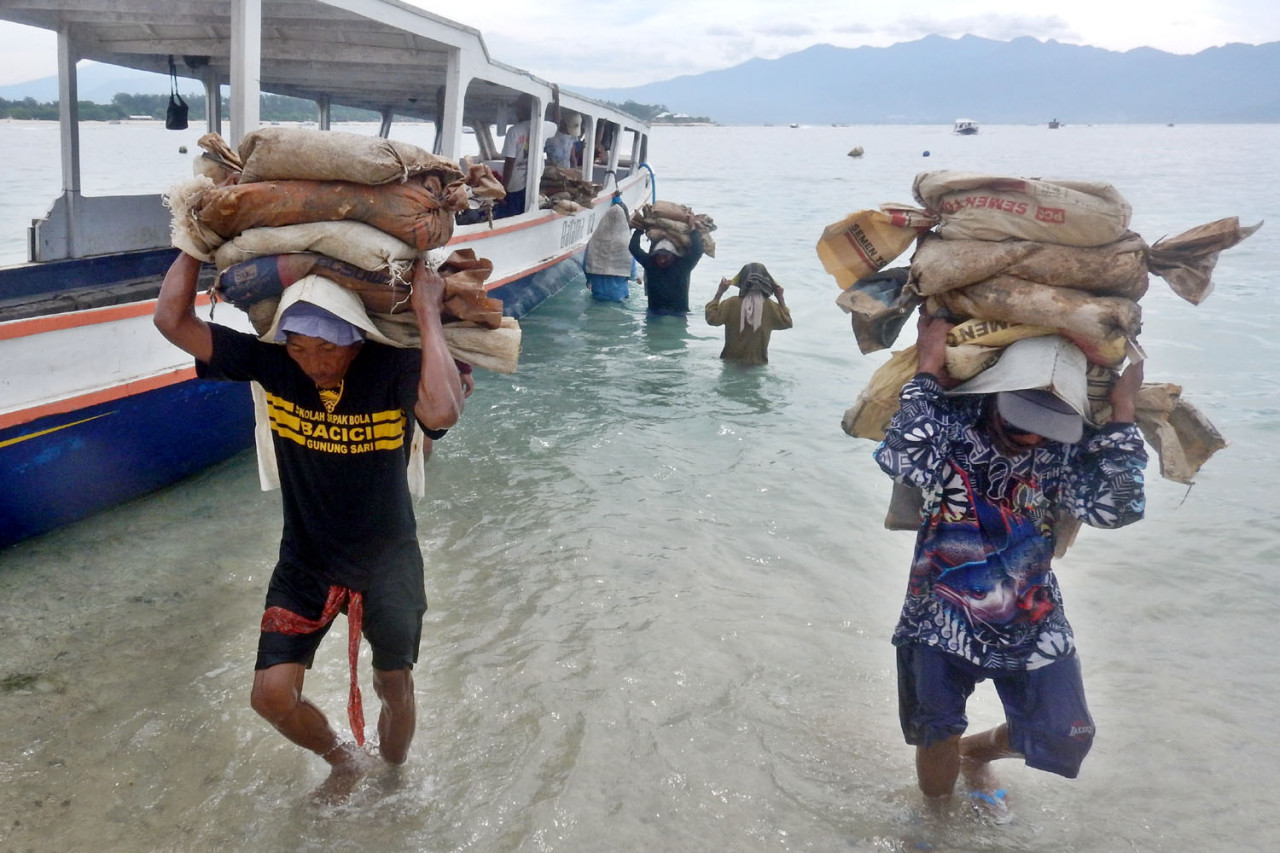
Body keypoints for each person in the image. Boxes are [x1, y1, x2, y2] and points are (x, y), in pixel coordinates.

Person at [153, 253, 469, 803]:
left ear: (360, 339)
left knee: (393, 687)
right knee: (270, 697)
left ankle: (392, 781)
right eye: (301, 348)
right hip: (306, 559)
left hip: (387, 561)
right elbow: (171, 321)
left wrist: (426, 310)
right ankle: (343, 761)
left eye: (329, 349)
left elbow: (441, 412)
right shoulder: (276, 366)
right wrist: (195, 243)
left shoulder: (390, 369)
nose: (315, 363)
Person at [873, 314, 1147, 817]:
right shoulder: (953, 427)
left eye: (1047, 427)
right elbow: (902, 461)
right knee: (935, 730)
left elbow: (1117, 507)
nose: (1033, 437)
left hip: (1031, 616)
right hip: (938, 614)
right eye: (1022, 420)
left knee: (1066, 734)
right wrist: (930, 372)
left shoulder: (1065, 452)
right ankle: (937, 822)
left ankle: (976, 754)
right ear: (997, 394)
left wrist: (1124, 416)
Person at [705, 262, 793, 364]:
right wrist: (780, 298)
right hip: (757, 365)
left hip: (730, 362)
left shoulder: (730, 303)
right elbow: (787, 322)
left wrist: (719, 292)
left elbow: (711, 319)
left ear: (743, 280)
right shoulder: (771, 308)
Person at [629, 225, 704, 314]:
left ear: (673, 255)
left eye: (665, 256)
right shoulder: (650, 263)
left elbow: (698, 250)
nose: (662, 260)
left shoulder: (683, 265)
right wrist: (639, 230)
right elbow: (633, 248)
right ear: (654, 255)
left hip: (679, 313)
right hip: (655, 312)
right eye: (659, 256)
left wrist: (693, 230)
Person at [495, 94, 536, 218]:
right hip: (530, 185)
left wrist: (503, 189)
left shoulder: (514, 131)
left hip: (514, 186)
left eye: (518, 108)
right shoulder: (538, 129)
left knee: (505, 218)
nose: (516, 111)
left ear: (522, 110)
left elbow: (509, 162)